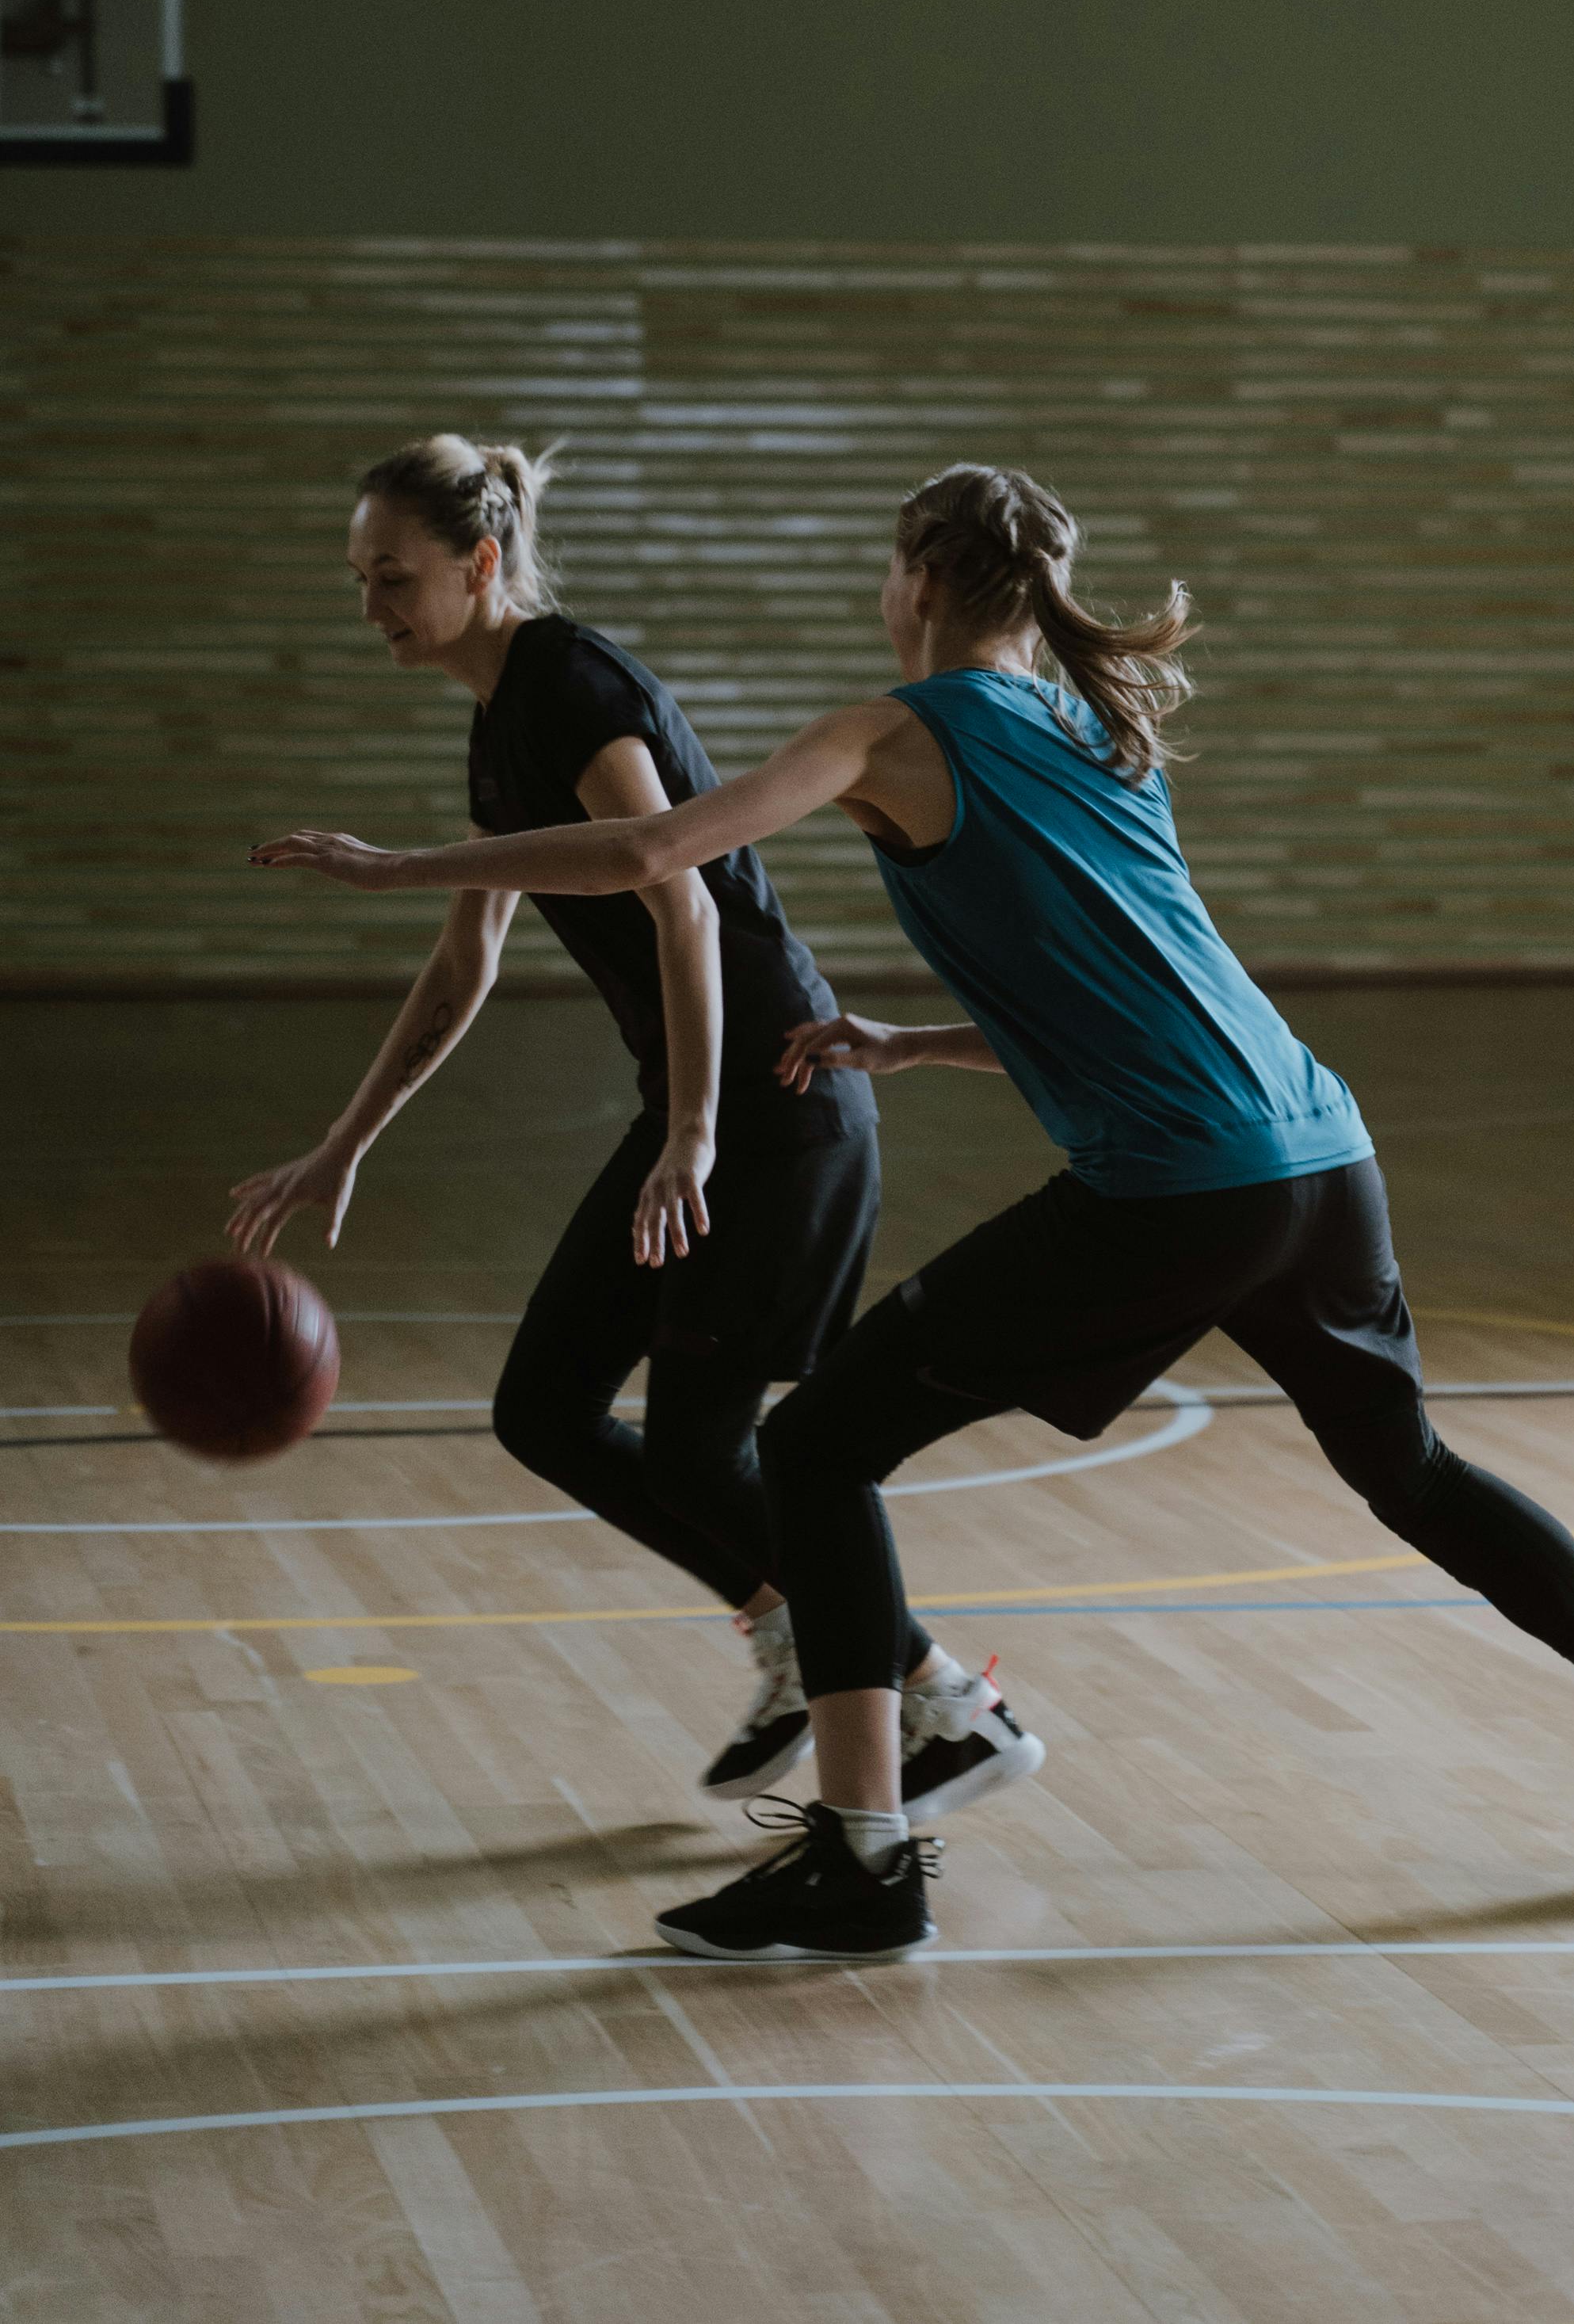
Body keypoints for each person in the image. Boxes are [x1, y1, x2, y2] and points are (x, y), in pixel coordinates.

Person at [252, 459, 1574, 1963]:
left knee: (810, 1445)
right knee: (1409, 1468)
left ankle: (864, 1857)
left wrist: (397, 866)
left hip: (1178, 1192)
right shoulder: (1089, 723)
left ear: (918, 582)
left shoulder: (888, 730)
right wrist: (915, 1040)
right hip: (1322, 1156)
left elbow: (660, 849)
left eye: (885, 569)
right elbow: (1147, 991)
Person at [233, 434, 1042, 1817]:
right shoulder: (498, 719)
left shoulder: (573, 685)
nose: (371, 602)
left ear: (480, 566)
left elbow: (671, 893)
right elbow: (465, 961)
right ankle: (800, 1630)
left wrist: (691, 1127)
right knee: (543, 1408)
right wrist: (347, 1140)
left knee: (697, 1449)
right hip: (706, 1104)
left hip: (777, 1100)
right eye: (359, 577)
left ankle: (947, 1706)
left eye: (394, 576)